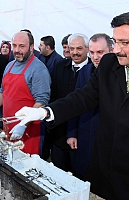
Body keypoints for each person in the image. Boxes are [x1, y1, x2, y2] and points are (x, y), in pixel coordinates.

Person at [13, 11, 129, 200]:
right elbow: (83, 98)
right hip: (102, 170)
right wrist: (44, 112)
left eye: (124, 42)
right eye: (115, 42)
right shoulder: (109, 64)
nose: (116, 49)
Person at [0, 31, 51, 155]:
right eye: (15, 45)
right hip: (9, 126)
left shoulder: (39, 69)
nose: (17, 50)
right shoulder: (10, 66)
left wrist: (23, 124)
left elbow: (42, 102)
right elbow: (2, 91)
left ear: (31, 47)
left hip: (29, 131)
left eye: (22, 46)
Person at [66, 33, 113, 180]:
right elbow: (76, 103)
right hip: (85, 134)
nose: (95, 57)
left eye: (100, 52)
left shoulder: (119, 75)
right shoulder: (85, 72)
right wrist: (72, 132)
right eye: (92, 52)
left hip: (107, 138)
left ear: (111, 51)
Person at [44, 33, 91, 171]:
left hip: (82, 131)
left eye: (79, 48)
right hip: (59, 130)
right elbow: (54, 95)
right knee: (58, 169)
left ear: (87, 49)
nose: (75, 53)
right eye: (72, 48)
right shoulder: (60, 66)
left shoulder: (94, 71)